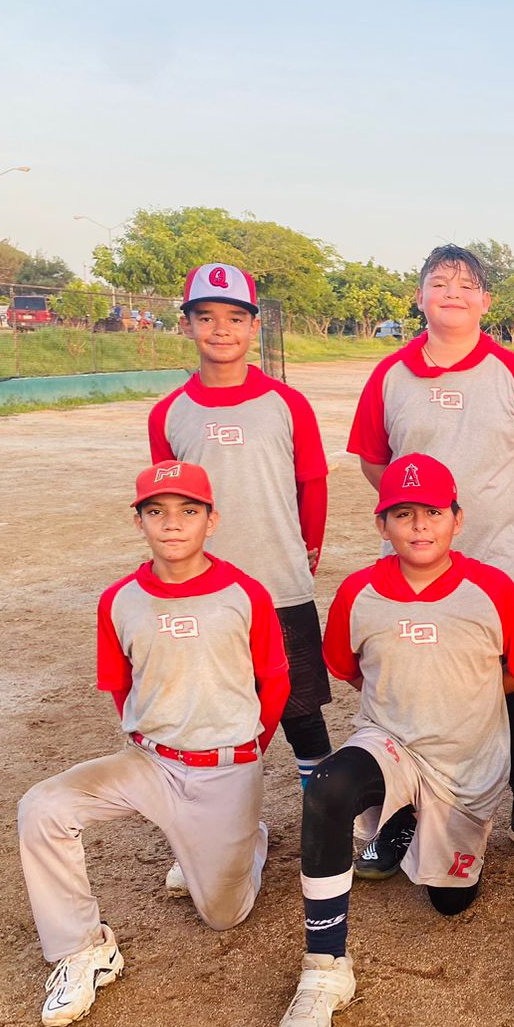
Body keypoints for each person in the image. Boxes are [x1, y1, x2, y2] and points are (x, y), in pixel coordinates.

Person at [276, 455, 514, 1027]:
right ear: (383, 525)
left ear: (457, 519)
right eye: (403, 514)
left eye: (432, 512)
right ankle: (324, 967)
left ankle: (412, 819)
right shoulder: (359, 591)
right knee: (328, 787)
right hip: (391, 744)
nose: (419, 526)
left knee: (449, 902)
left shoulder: (493, 589)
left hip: (465, 767)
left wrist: (468, 701)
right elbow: (350, 670)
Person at [18, 462, 288, 1027]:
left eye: (189, 511)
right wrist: (157, 742)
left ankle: (247, 838)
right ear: (138, 521)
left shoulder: (245, 593)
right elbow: (120, 687)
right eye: (156, 511)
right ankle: (85, 951)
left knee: (223, 916)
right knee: (44, 806)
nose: (172, 524)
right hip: (150, 762)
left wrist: (238, 753)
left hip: (226, 770)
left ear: (212, 520)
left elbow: (276, 681)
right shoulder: (119, 599)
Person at [347, 244, 514, 867]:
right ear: (419, 297)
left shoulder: (511, 371)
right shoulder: (390, 375)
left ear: (485, 302)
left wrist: (506, 520)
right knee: (411, 688)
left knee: (510, 685)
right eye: (439, 282)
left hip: (498, 561)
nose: (453, 292)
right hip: (414, 570)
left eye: (467, 285)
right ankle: (401, 813)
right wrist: (416, 526)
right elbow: (373, 460)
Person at [149, 264, 333, 800]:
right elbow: (167, 505)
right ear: (186, 325)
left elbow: (311, 484)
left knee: (302, 712)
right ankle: (215, 824)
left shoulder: (286, 403)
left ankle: (323, 817)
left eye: (235, 317)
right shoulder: (169, 413)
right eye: (205, 317)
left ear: (255, 327)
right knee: (211, 711)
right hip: (205, 590)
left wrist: (306, 553)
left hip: (280, 582)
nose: (221, 329)